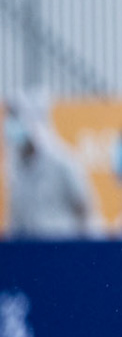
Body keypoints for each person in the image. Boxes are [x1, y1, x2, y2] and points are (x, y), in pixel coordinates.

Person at [3, 95, 97, 238]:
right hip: (30, 251)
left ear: (31, 121)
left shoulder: (62, 161)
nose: (10, 125)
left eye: (15, 119)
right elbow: (16, 218)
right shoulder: (14, 169)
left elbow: (84, 207)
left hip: (62, 246)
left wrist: (87, 249)